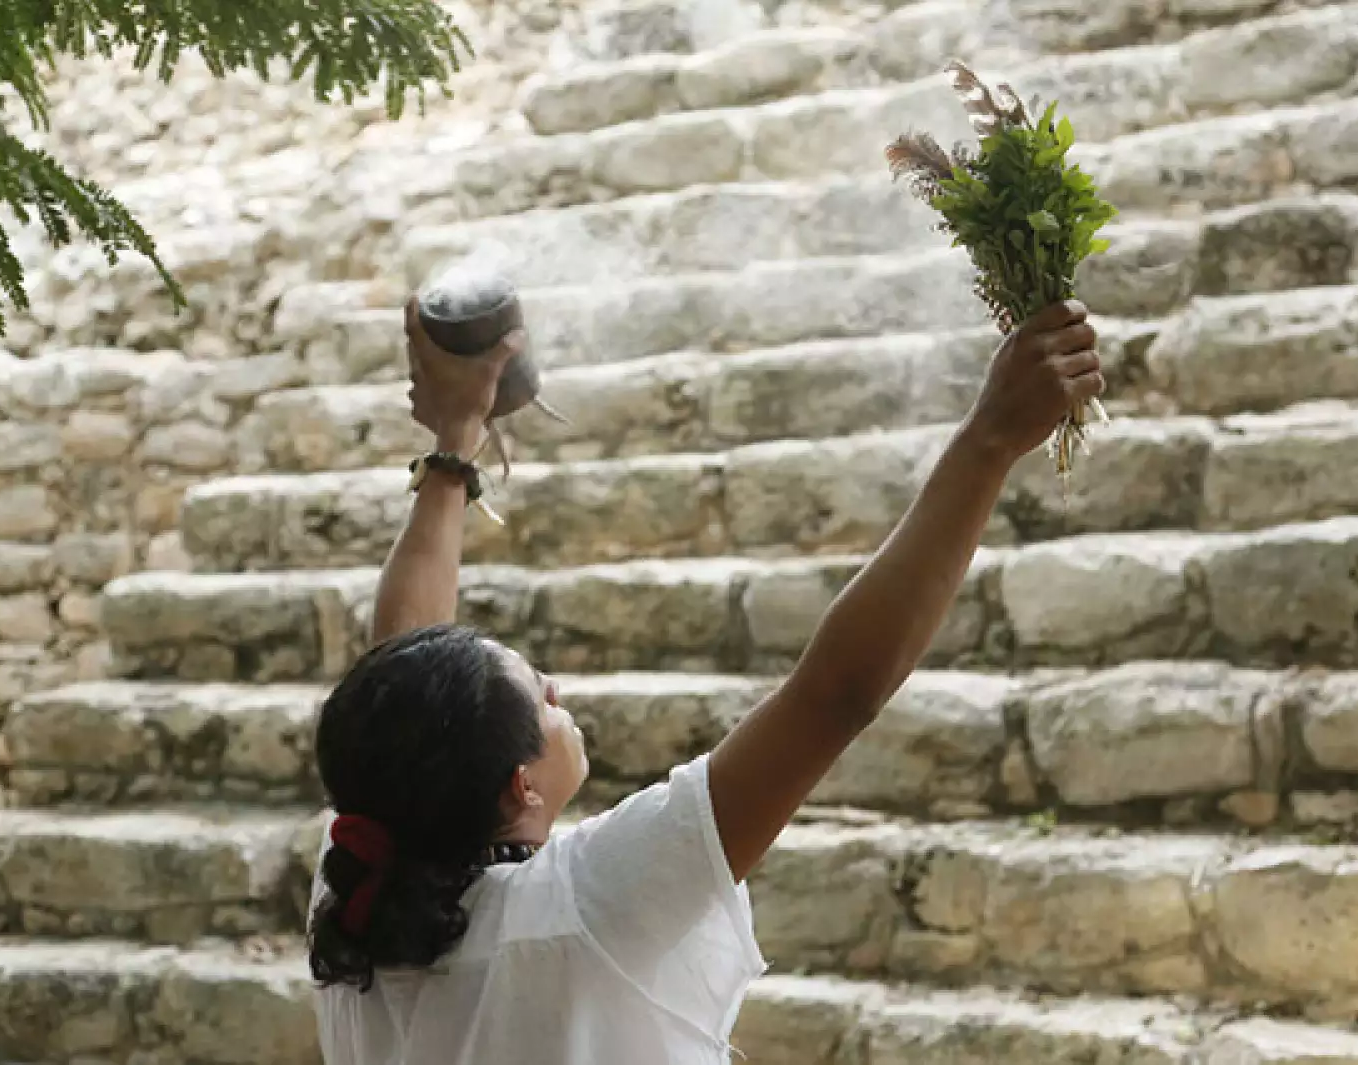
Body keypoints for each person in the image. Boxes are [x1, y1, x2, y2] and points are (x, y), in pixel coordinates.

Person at [307, 295, 1105, 1064]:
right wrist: (990, 439)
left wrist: (456, 439)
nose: (557, 691)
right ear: (522, 788)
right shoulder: (588, 906)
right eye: (541, 696)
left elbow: (402, 669)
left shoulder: (356, 903)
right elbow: (833, 696)